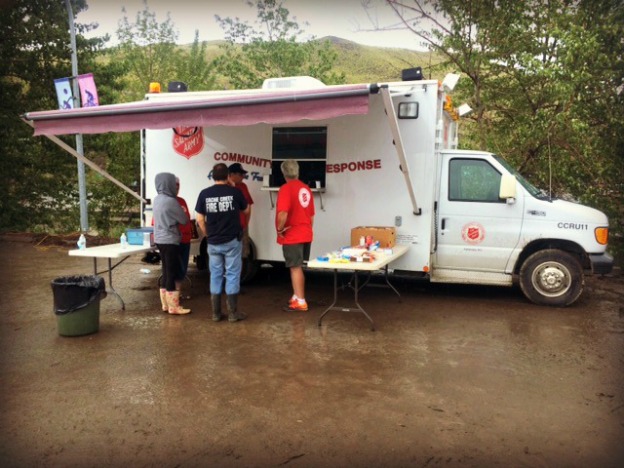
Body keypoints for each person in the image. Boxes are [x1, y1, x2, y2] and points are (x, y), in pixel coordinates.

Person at [195, 163, 250, 322]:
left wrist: (208, 234)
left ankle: (216, 313)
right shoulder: (235, 192)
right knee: (232, 275)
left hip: (213, 242)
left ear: (213, 176)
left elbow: (199, 218)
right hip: (232, 240)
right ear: (227, 176)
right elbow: (246, 210)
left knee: (215, 275)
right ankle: (233, 313)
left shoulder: (204, 194)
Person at [275, 160, 315, 312]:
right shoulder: (306, 188)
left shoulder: (285, 189)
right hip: (305, 232)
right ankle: (296, 295)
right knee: (299, 266)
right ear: (297, 171)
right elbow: (311, 216)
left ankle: (300, 300)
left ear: (284, 173)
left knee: (295, 267)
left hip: (292, 234)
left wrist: (280, 229)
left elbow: (283, 213)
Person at [153, 172, 191, 315]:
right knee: (172, 273)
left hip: (160, 240)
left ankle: (165, 305)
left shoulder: (157, 199)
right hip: (171, 240)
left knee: (165, 271)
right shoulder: (171, 201)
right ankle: (174, 307)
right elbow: (184, 220)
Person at [228, 163, 254, 259]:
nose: (243, 176)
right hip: (229, 227)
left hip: (242, 226)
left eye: (243, 174)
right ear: (231, 175)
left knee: (243, 254)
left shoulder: (243, 186)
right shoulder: (224, 187)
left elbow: (249, 205)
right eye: (240, 174)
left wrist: (246, 224)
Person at [174, 177, 193, 298]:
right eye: (174, 186)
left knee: (182, 270)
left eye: (178, 186)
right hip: (173, 242)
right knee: (173, 270)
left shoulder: (182, 201)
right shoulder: (165, 202)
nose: (176, 188)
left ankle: (177, 294)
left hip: (186, 240)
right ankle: (173, 299)